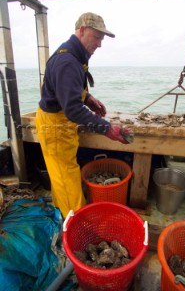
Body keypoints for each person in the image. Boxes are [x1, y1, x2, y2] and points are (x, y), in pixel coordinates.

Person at [35, 12, 132, 218]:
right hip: (55, 126)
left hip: (60, 122)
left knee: (61, 174)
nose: (99, 44)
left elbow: (65, 87)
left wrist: (87, 98)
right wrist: (107, 129)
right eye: (96, 37)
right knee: (66, 177)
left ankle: (62, 214)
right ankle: (77, 224)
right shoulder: (68, 61)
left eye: (101, 39)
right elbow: (72, 109)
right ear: (81, 31)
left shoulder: (74, 54)